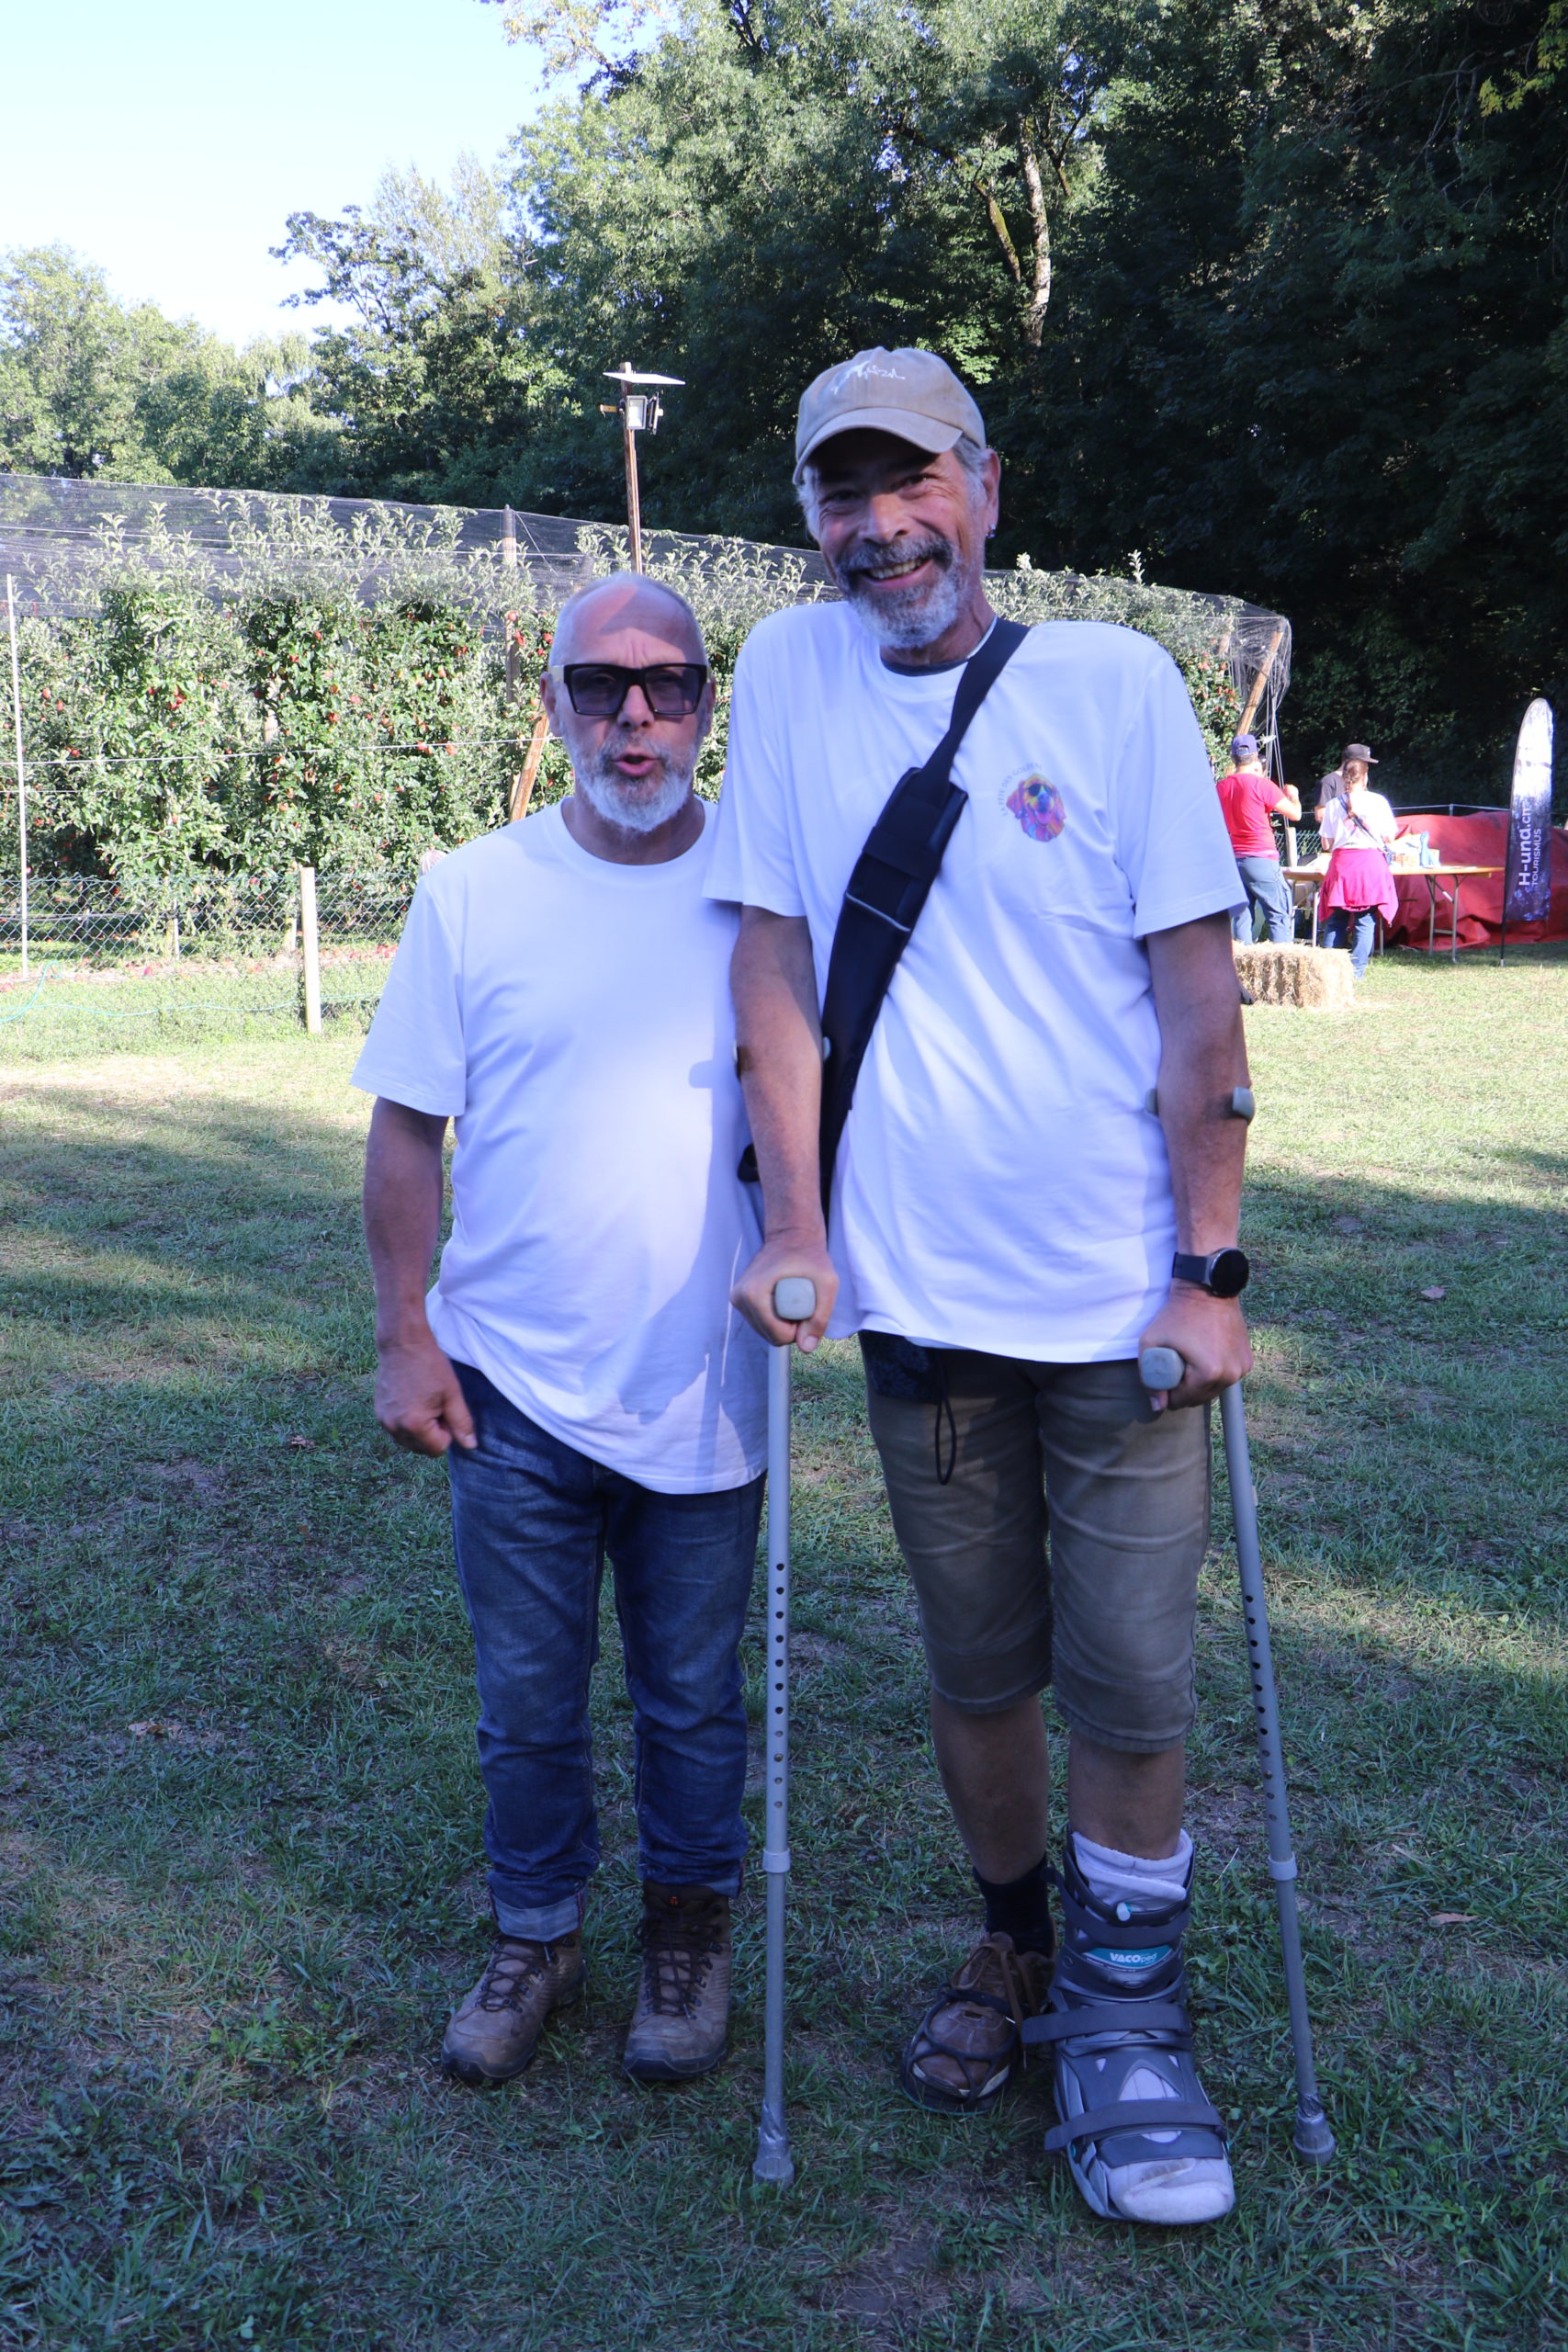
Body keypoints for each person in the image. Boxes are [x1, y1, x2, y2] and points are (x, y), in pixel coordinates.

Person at [709, 345, 1254, 2227]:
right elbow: (771, 960)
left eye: (909, 481)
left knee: (1131, 1677)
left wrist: (1206, 1266)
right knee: (977, 1664)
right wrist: (795, 1225)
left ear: (986, 486)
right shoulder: (783, 673)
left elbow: (1197, 994)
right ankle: (1019, 1944)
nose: (877, 527)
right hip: (918, 1303)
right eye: (838, 493)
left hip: (1114, 1306)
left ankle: (1129, 2011)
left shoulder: (1112, 684)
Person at [354, 573, 768, 2091]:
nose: (633, 717)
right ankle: (534, 1935)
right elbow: (408, 1128)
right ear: (553, 705)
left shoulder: (765, 889)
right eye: (599, 686)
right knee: (525, 1705)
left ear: (707, 703)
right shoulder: (476, 889)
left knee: (692, 1704)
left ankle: (684, 1942)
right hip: (509, 1386)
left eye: (666, 685)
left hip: (707, 1383)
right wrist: (405, 1334)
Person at [1314, 742, 1399, 977]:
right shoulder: (1379, 802)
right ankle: (1357, 972)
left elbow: (1326, 844)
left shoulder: (1333, 805)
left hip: (1343, 865)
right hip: (1370, 865)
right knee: (1365, 921)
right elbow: (1389, 837)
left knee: (1336, 920)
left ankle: (1328, 973)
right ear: (1365, 777)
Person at [1216, 732, 1301, 944]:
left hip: (1234, 859)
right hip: (1261, 857)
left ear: (1233, 757)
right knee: (1278, 914)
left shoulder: (1220, 787)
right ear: (1255, 757)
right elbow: (1295, 815)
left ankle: (1241, 961)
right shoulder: (1262, 785)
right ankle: (1282, 960)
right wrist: (1294, 796)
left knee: (1242, 916)